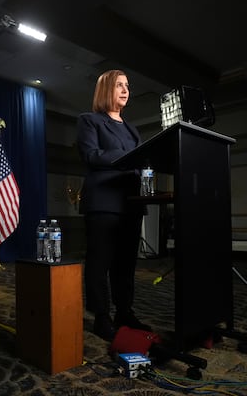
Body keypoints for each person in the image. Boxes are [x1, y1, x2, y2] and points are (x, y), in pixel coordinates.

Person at [76, 69, 151, 341]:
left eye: (127, 85)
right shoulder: (89, 121)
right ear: (106, 89)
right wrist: (132, 156)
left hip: (131, 202)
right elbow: (91, 155)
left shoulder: (132, 128)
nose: (125, 90)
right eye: (119, 85)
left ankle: (124, 312)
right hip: (104, 202)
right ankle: (101, 316)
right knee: (100, 262)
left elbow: (142, 161)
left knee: (126, 264)